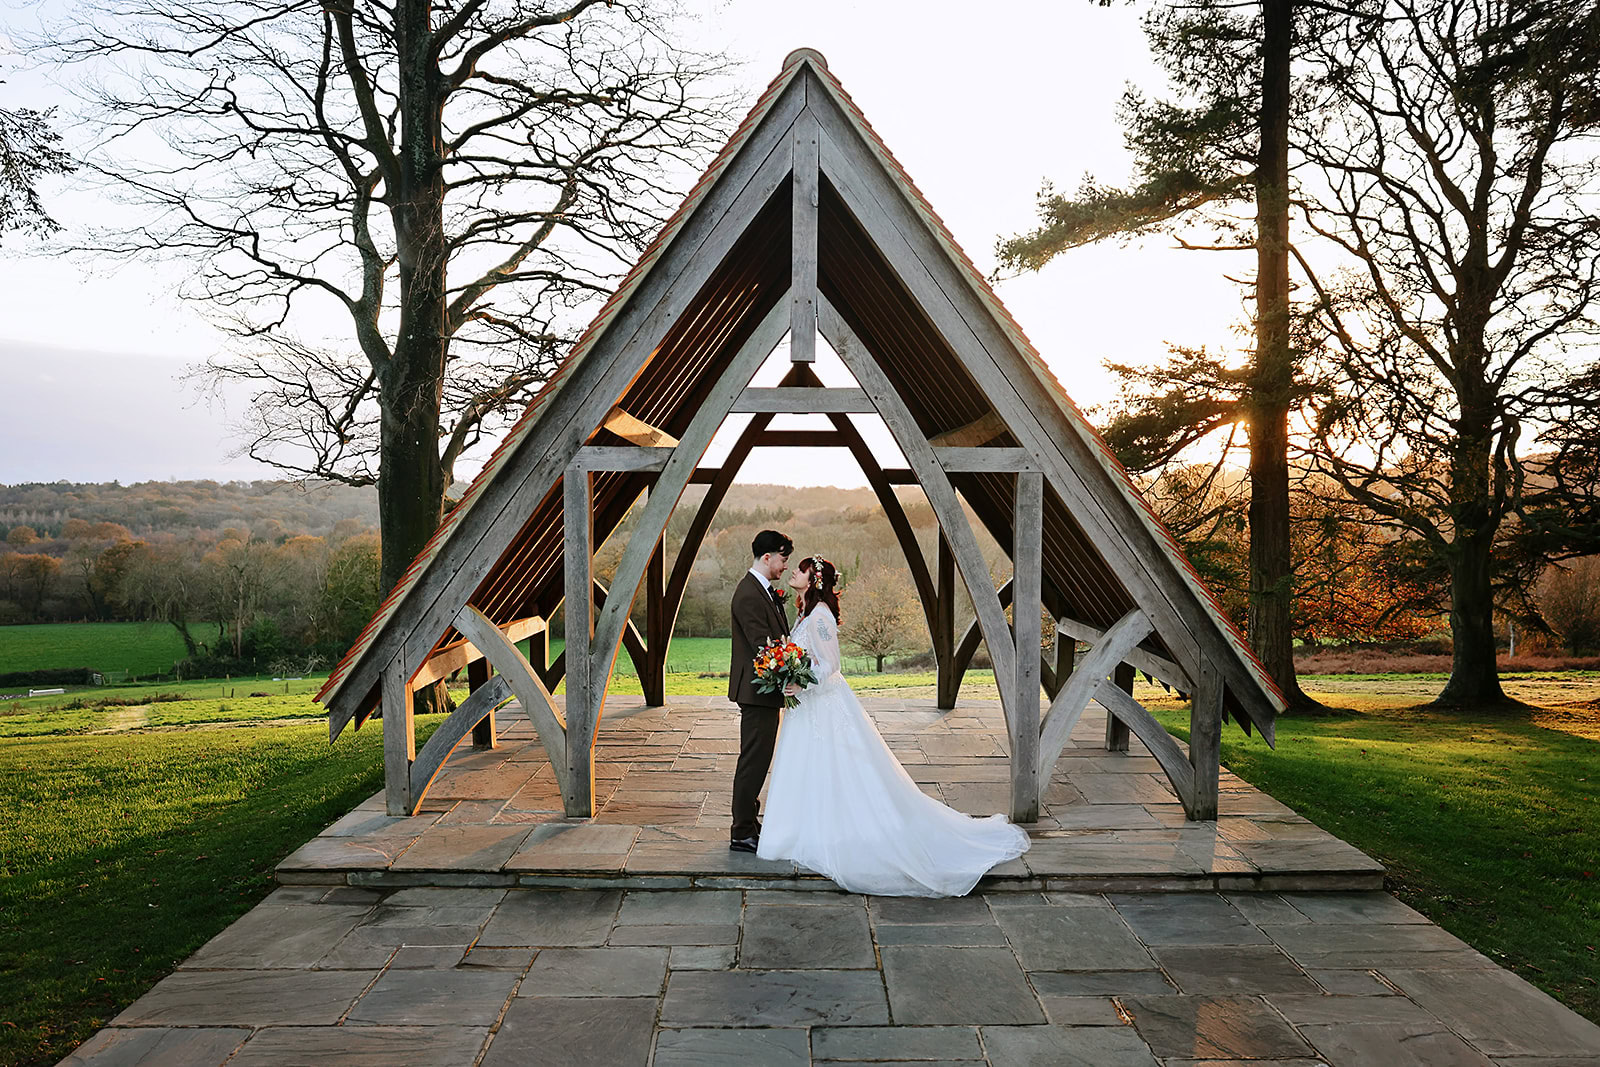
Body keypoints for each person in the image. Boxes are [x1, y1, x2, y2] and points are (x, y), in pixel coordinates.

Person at [757, 555, 1031, 896]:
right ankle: (799, 830)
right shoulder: (807, 612)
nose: (793, 573)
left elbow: (832, 664)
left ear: (814, 580)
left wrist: (802, 683)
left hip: (824, 706)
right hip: (807, 709)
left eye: (800, 570)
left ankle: (836, 832)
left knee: (836, 766)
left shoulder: (821, 616)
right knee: (806, 766)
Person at [727, 529, 793, 854]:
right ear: (767, 557)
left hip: (763, 693)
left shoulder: (763, 590)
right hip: (756, 692)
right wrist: (790, 674)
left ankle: (750, 823)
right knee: (753, 761)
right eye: (782, 559)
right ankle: (741, 832)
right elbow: (762, 647)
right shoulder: (750, 594)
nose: (784, 567)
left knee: (758, 758)